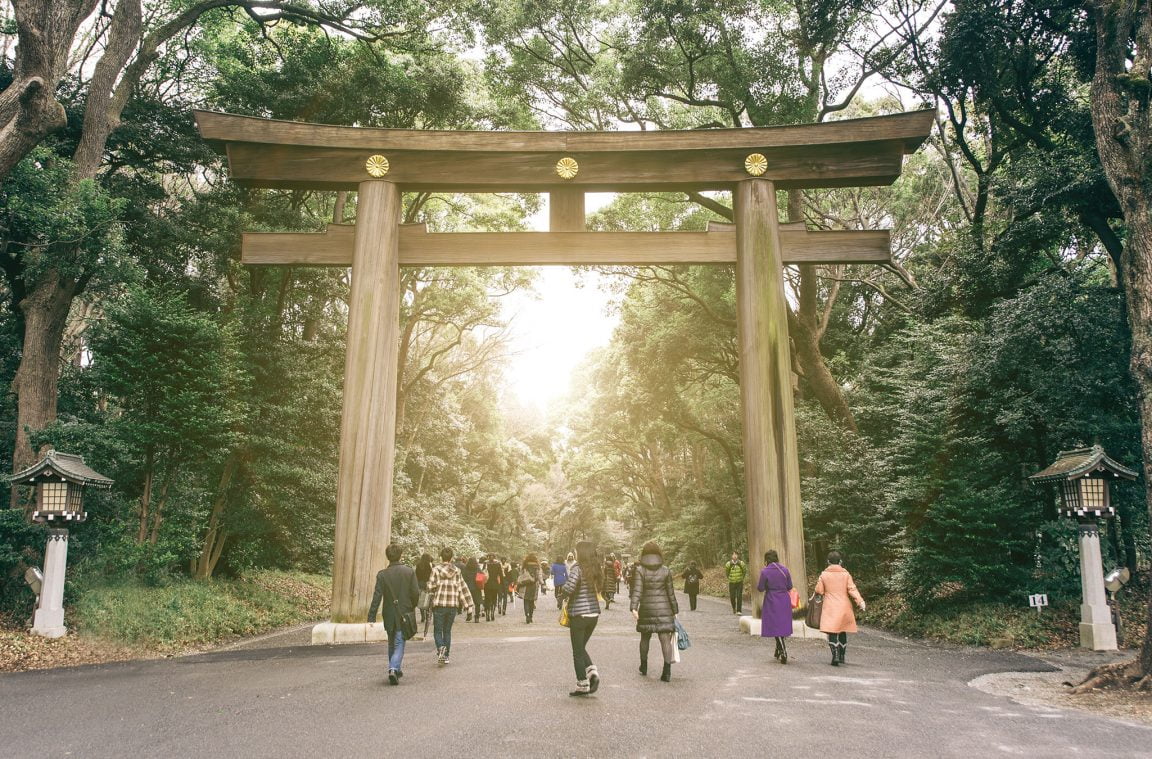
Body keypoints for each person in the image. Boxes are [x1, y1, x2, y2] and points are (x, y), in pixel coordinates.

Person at [367, 544, 421, 685]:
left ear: (388, 556)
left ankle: (396, 669)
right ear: (400, 555)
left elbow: (377, 596)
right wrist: (412, 605)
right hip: (404, 611)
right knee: (399, 642)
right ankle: (393, 668)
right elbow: (416, 593)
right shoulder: (409, 572)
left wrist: (371, 616)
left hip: (389, 613)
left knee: (392, 642)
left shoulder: (382, 574)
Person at [558, 540, 603, 696]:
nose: (575, 553)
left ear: (581, 552)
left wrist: (561, 594)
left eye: (577, 551)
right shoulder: (596, 569)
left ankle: (582, 684)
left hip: (579, 615)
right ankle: (593, 674)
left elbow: (569, 588)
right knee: (581, 648)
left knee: (577, 651)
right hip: (593, 615)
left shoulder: (577, 569)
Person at [630, 541, 679, 682]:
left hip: (646, 608)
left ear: (644, 554)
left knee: (645, 638)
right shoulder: (666, 570)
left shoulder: (640, 570)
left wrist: (634, 607)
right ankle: (667, 672)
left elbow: (637, 591)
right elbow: (671, 593)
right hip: (665, 609)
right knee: (665, 639)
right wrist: (675, 609)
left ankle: (644, 666)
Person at [814, 550, 866, 666]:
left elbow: (819, 590)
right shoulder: (846, 574)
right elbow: (852, 589)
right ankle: (842, 655)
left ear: (828, 562)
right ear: (840, 561)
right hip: (844, 606)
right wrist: (860, 601)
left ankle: (835, 655)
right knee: (842, 631)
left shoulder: (824, 575)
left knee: (832, 632)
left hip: (830, 606)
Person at [427, 547, 475, 664]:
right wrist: (468, 606)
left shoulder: (436, 570)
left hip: (439, 605)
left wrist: (432, 593)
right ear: (451, 558)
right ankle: (446, 655)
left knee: (438, 631)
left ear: (441, 557)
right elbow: (462, 588)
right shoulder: (457, 571)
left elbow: (430, 587)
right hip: (453, 606)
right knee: (447, 631)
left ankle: (440, 648)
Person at [756, 550, 794, 664]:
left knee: (775, 625)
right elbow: (789, 586)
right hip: (784, 600)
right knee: (781, 624)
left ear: (766, 560)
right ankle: (778, 649)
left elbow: (760, 588)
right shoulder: (785, 570)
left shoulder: (765, 571)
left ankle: (783, 651)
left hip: (771, 600)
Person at [517, 554, 541, 623]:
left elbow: (521, 575)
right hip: (534, 585)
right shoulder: (537, 566)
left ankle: (527, 615)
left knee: (526, 601)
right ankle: (531, 616)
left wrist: (519, 582)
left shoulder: (525, 565)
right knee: (531, 601)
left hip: (526, 585)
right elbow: (539, 575)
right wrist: (542, 583)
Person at [484, 554, 504, 622]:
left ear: (488, 557)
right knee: (494, 599)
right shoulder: (498, 564)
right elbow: (501, 574)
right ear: (495, 557)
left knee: (487, 599)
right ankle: (492, 613)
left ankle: (487, 614)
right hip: (495, 585)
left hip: (487, 584)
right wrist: (502, 584)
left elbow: (482, 573)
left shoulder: (485, 563)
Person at [415, 553, 434, 623]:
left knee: (421, 600)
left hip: (420, 583)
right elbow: (430, 575)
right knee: (427, 599)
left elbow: (416, 575)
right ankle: (427, 615)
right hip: (427, 584)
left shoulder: (418, 565)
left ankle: (422, 616)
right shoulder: (428, 566)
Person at [464, 557, 483, 623]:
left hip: (468, 587)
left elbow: (464, 577)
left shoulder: (466, 568)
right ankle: (477, 617)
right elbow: (481, 575)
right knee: (477, 603)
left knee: (469, 602)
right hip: (476, 587)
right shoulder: (477, 568)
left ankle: (469, 614)